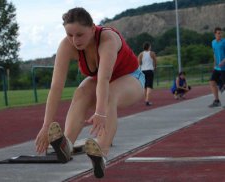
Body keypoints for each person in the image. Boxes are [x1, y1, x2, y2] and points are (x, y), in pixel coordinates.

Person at [35, 7, 145, 178]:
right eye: (70, 35)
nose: (75, 40)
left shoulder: (107, 39)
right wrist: (45, 125)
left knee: (109, 95)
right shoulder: (67, 45)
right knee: (81, 92)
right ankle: (67, 145)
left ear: (93, 28)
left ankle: (101, 151)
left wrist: (100, 112)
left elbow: (104, 79)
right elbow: (56, 86)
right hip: (104, 81)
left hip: (131, 78)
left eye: (80, 34)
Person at [208, 27, 225, 107]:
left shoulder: (224, 42)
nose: (220, 35)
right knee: (212, 82)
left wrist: (223, 61)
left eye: (221, 33)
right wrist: (214, 64)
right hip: (217, 67)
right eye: (218, 33)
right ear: (215, 34)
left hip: (224, 67)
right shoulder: (213, 42)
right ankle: (217, 101)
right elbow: (214, 53)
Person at [137, 42, 157, 106]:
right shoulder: (152, 53)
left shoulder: (141, 54)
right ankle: (147, 100)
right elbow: (155, 61)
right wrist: (154, 68)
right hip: (150, 70)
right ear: (148, 47)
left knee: (145, 86)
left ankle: (146, 99)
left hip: (143, 71)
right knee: (149, 86)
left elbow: (139, 63)